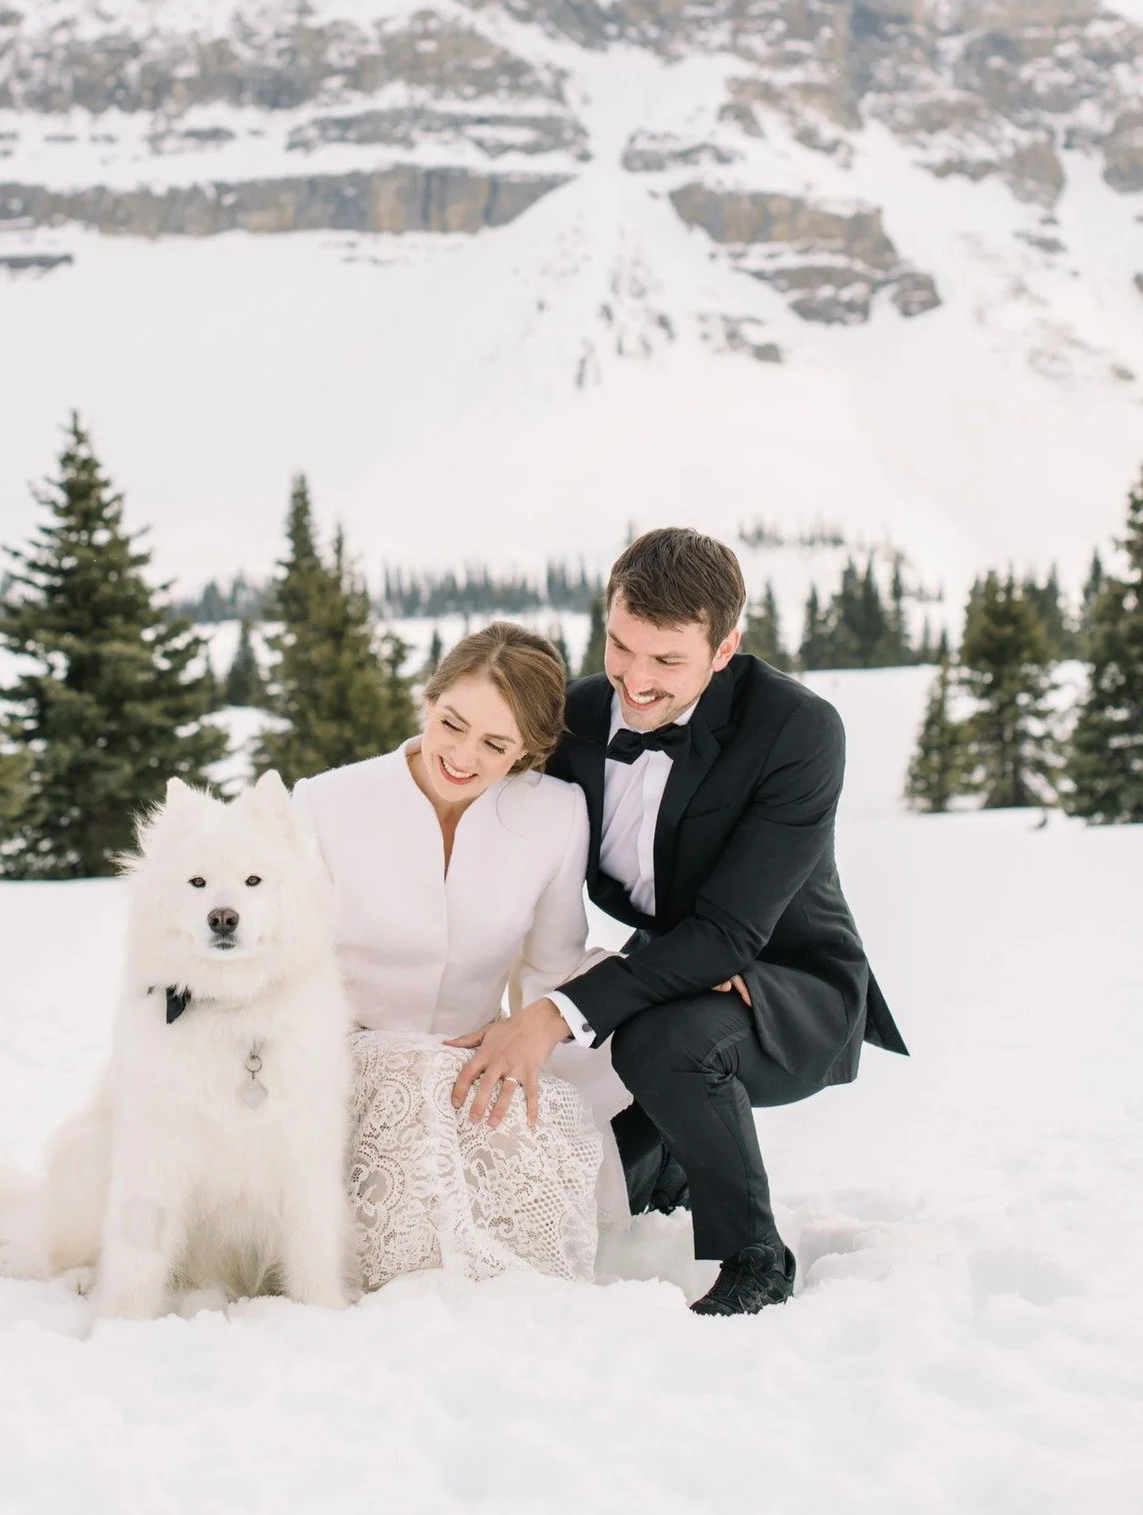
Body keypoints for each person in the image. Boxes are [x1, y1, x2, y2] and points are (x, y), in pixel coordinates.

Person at [450, 528, 908, 1317]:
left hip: (791, 985)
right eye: (622, 647)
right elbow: (482, 794)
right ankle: (665, 1163)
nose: (636, 679)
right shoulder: (582, 718)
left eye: (668, 660)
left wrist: (553, 1015)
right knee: (600, 1190)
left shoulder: (797, 731)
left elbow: (729, 935)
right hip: (674, 972)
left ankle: (756, 1255)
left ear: (725, 646)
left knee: (665, 1043)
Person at [293, 621, 627, 1290]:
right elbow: (290, 966)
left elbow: (549, 969)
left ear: (529, 750)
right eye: (452, 722)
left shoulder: (556, 813)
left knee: (525, 1202)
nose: (463, 755)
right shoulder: (326, 802)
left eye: (495, 743)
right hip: (343, 1063)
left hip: (480, 1065)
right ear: (429, 698)